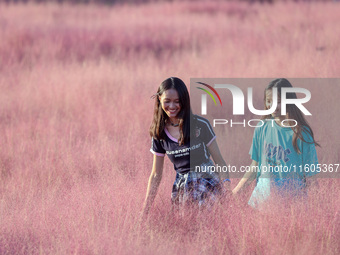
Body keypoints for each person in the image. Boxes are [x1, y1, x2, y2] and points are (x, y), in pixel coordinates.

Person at [142, 77, 230, 217]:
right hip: (183, 186)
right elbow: (155, 174)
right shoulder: (159, 133)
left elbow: (219, 161)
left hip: (207, 181)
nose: (172, 106)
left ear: (184, 101)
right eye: (167, 101)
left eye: (177, 101)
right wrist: (144, 212)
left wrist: (227, 187)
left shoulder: (200, 124)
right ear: (159, 99)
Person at [232, 78, 320, 208]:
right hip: (261, 205)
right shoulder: (262, 127)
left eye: (278, 102)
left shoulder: (301, 133)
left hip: (292, 209)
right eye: (269, 101)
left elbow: (311, 178)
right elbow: (255, 166)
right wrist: (235, 192)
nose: (272, 106)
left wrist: (318, 209)